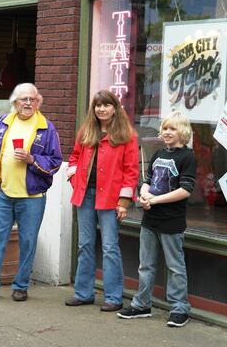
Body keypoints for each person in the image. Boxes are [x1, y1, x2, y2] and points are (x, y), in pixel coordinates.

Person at [0, 83, 62, 302]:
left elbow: (56, 162)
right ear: (15, 102)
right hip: (4, 193)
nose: (28, 103)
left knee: (28, 242)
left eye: (32, 99)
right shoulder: (3, 123)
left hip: (32, 197)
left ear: (38, 102)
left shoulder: (46, 128)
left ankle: (21, 286)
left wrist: (32, 159)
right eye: (24, 100)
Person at [118, 111, 196, 328]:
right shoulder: (159, 153)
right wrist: (144, 194)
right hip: (150, 219)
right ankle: (142, 304)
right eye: (165, 129)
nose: (167, 132)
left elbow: (185, 190)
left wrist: (155, 199)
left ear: (182, 132)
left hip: (172, 221)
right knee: (146, 265)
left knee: (175, 267)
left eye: (172, 129)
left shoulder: (187, 157)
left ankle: (180, 308)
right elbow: (147, 180)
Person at [63, 90, 139, 312]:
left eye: (106, 105)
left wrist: (124, 201)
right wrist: (74, 177)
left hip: (111, 198)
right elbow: (74, 157)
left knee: (109, 247)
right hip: (85, 195)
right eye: (98, 105)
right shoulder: (87, 131)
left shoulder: (127, 135)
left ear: (115, 107)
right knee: (84, 245)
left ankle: (114, 297)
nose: (101, 109)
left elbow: (131, 171)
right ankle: (83, 293)